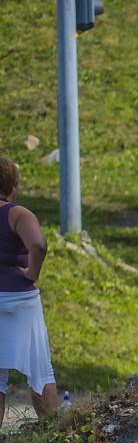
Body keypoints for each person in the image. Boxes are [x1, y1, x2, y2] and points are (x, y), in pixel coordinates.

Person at [0, 156, 60, 427]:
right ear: (14, 185)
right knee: (40, 368)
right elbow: (39, 245)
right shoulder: (18, 214)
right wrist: (32, 273)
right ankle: (51, 432)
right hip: (20, 298)